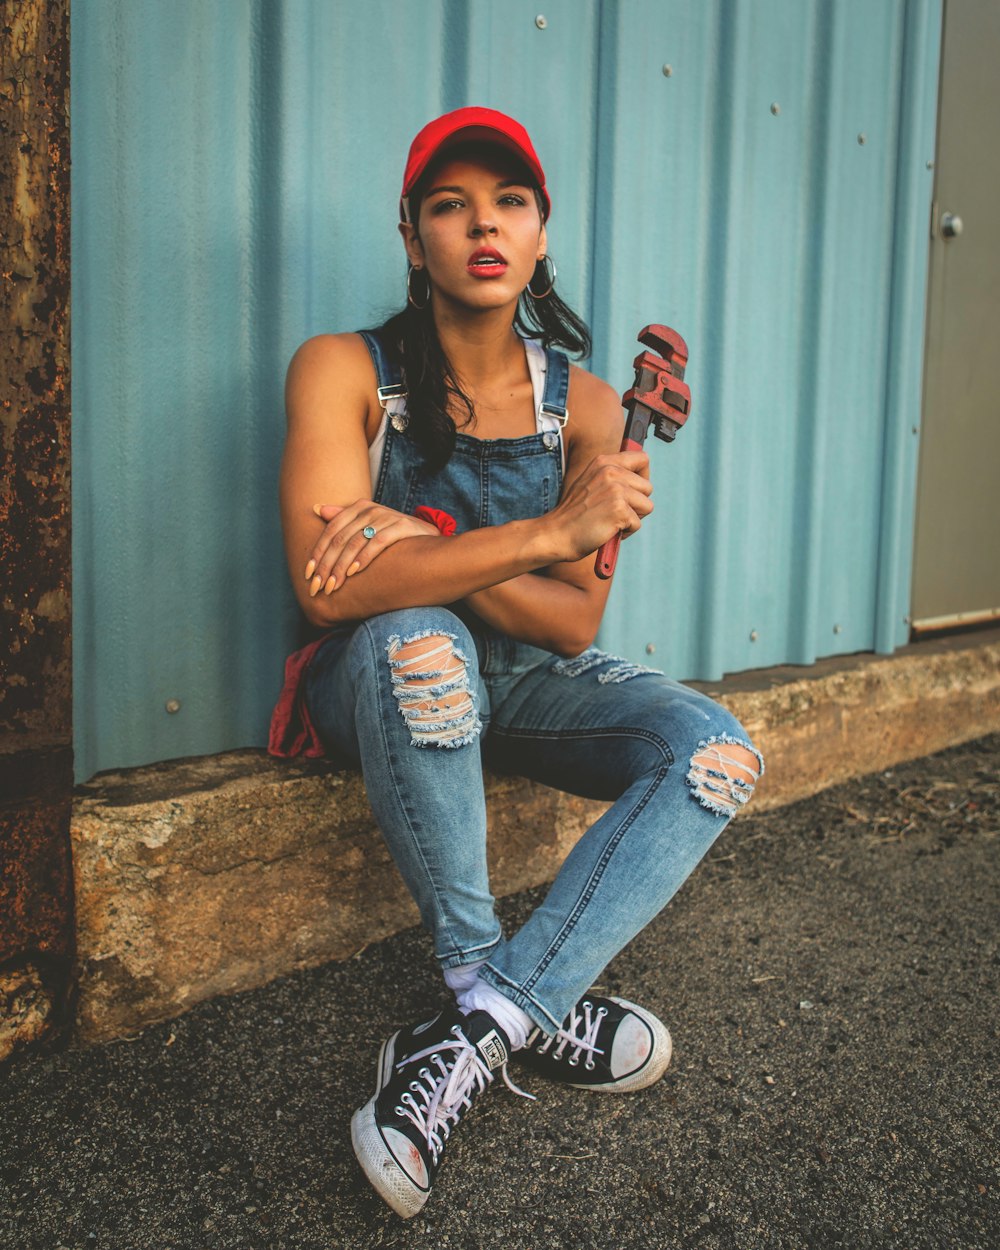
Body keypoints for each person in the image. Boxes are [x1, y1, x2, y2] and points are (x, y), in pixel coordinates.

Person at [273, 106, 763, 1219]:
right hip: (380, 679)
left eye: (510, 202)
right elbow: (328, 586)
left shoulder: (592, 405)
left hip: (527, 684)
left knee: (716, 752)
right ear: (412, 237)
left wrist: (427, 543)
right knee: (418, 637)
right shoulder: (344, 369)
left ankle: (480, 1023)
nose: (482, 224)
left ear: (542, 232)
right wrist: (540, 536)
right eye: (450, 204)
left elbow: (569, 627)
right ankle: (498, 977)